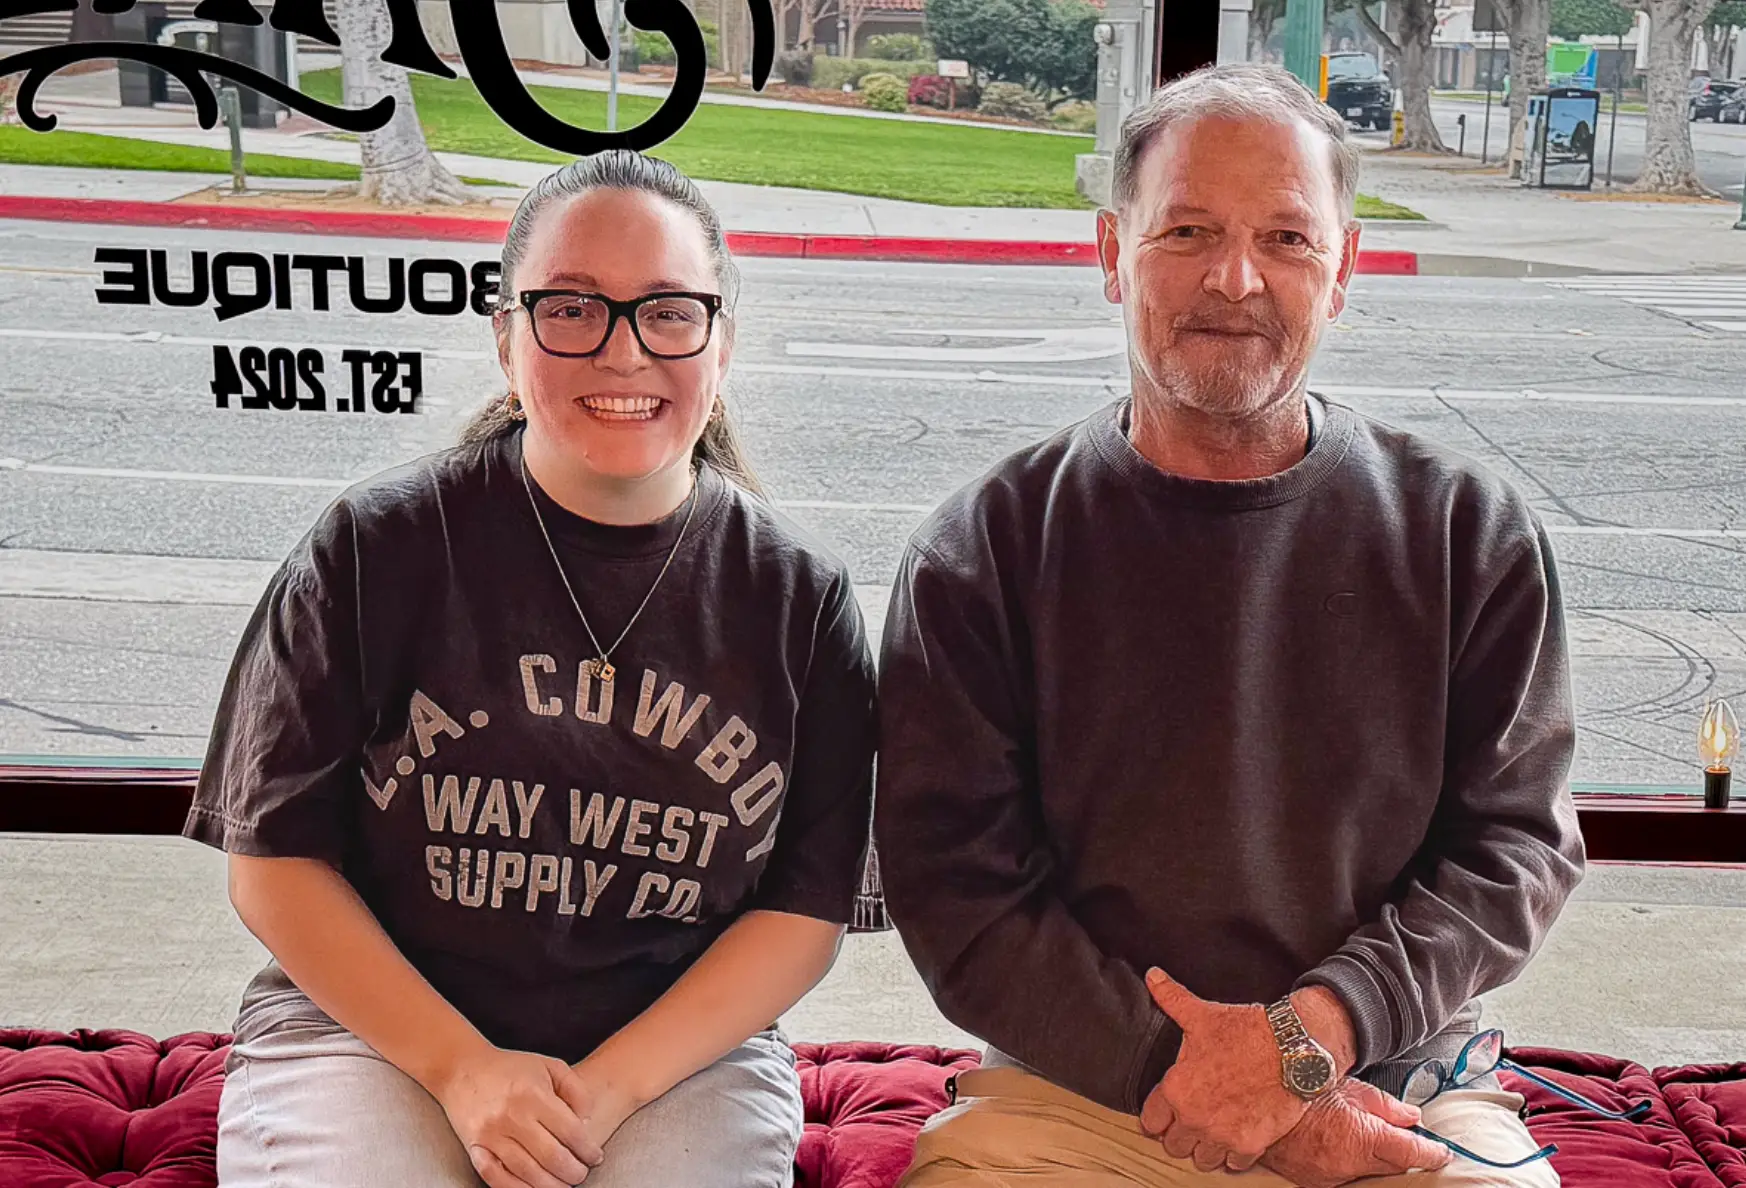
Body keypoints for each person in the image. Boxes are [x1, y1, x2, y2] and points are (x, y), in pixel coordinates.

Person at [874, 64, 1583, 1188]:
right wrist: (1237, 1091)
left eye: (1289, 240)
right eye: (1188, 229)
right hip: (1082, 1091)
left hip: (1396, 1079)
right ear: (1111, 253)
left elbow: (1515, 848)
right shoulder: (983, 551)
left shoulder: (1466, 531)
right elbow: (961, 896)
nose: (1236, 278)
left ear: (1345, 269)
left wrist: (1312, 1041)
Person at [184, 151, 877, 1188]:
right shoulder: (373, 550)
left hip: (677, 1057)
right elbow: (275, 863)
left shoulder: (798, 599)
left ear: (721, 342)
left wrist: (603, 1094)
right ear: (507, 335)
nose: (623, 351)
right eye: (571, 309)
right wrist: (462, 1070)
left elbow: (804, 913)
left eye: (670, 311)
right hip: (369, 1034)